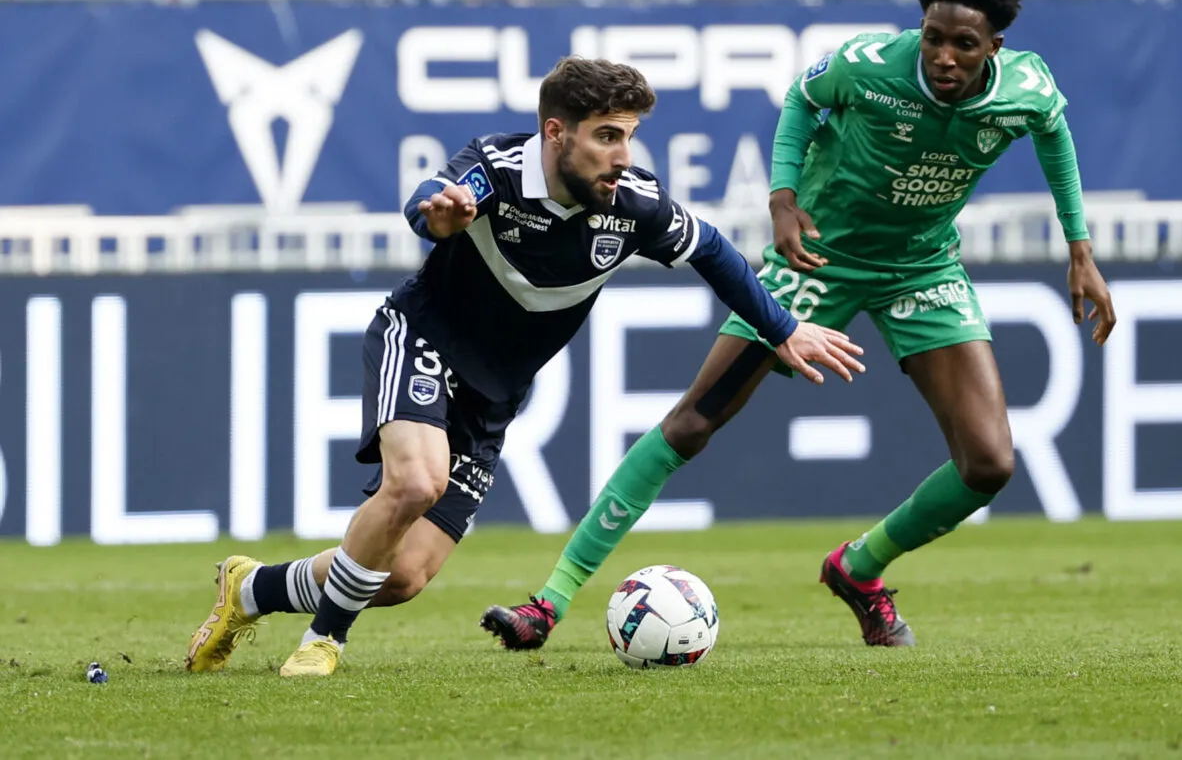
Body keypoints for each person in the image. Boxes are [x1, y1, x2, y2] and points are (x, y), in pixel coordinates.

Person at [481, 0, 1117, 650]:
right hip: (819, 255)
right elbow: (801, 102)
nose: (943, 56)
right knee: (695, 421)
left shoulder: (1026, 86)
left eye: (964, 45)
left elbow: (1053, 132)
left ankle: (859, 567)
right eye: (934, 37)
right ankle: (548, 601)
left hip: (923, 265)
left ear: (994, 48)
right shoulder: (867, 65)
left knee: (990, 464)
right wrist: (784, 198)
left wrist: (1079, 246)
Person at [184, 57, 863, 678]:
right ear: (555, 132)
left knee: (403, 576)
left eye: (628, 138)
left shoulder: (632, 205)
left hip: (492, 395)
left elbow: (712, 251)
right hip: (422, 338)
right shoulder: (499, 166)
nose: (622, 157)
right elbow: (434, 196)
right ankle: (325, 639)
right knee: (417, 480)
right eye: (606, 137)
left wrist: (784, 328)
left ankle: (249, 588)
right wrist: (439, 215)